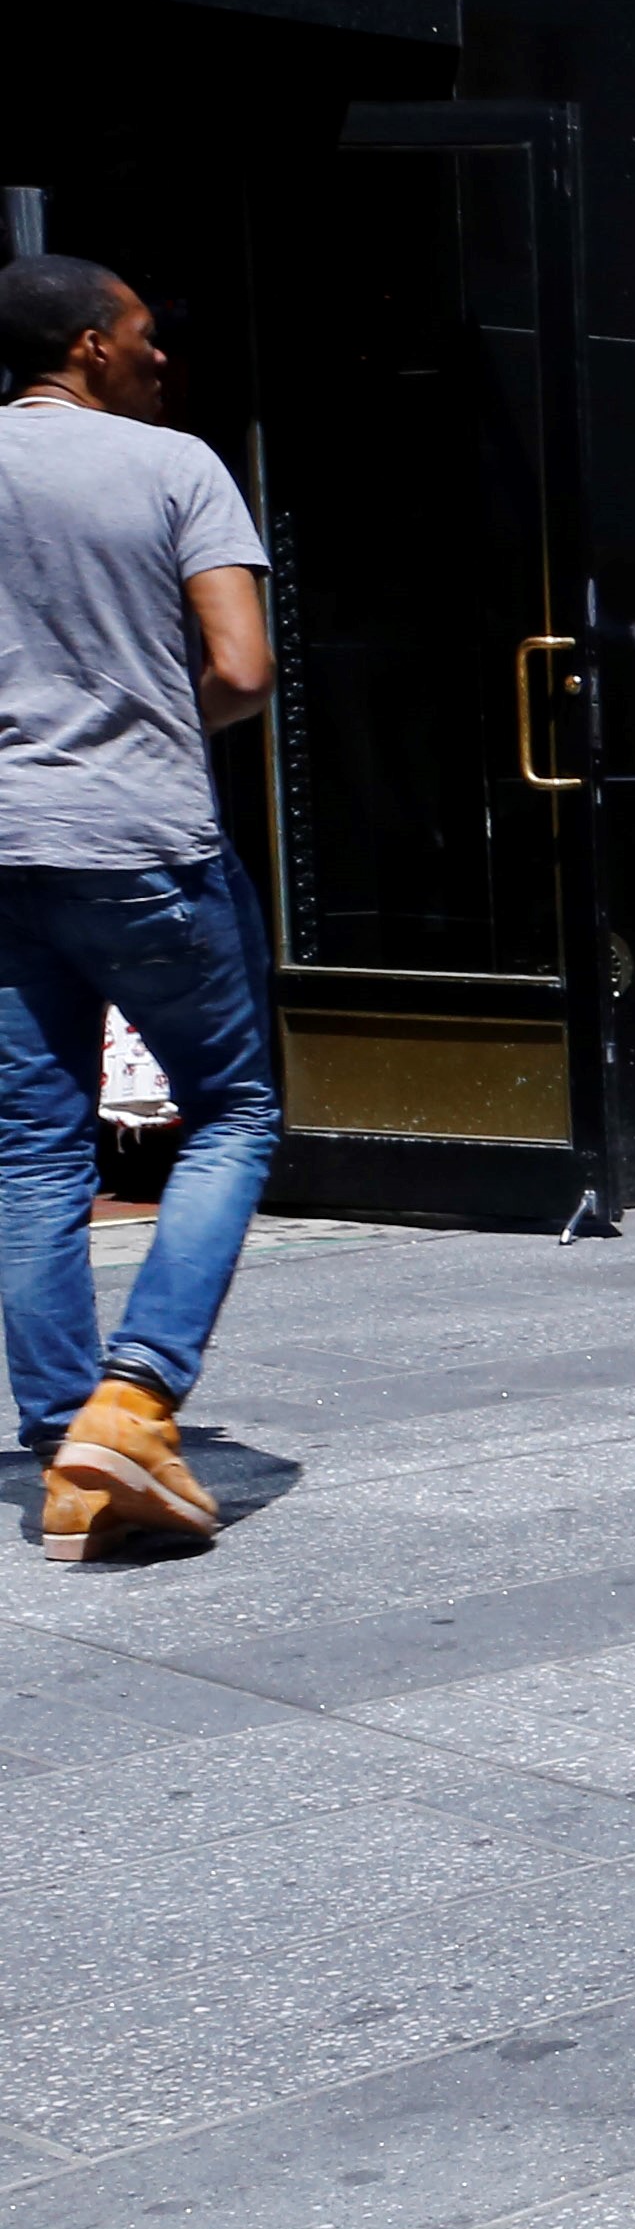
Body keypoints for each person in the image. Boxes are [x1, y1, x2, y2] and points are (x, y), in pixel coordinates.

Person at [0, 255, 283, 1561]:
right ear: (89, 347)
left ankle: (71, 1455)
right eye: (145, 334)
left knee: (31, 1151)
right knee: (233, 1111)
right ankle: (140, 1395)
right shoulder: (175, 469)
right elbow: (240, 667)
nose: (163, 357)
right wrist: (160, 716)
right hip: (145, 842)